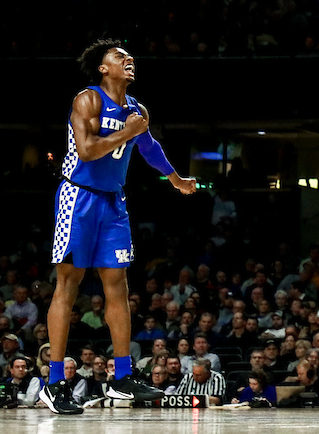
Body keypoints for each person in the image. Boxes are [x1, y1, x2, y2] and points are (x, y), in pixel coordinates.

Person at [42, 40, 197, 415]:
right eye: (118, 56)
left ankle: (122, 378)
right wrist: (130, 131)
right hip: (78, 197)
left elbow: (149, 148)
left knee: (118, 285)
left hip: (113, 201)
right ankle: (54, 383)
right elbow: (87, 150)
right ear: (102, 68)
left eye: (130, 56)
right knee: (69, 283)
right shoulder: (88, 100)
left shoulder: (136, 109)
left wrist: (175, 180)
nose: (128, 59)